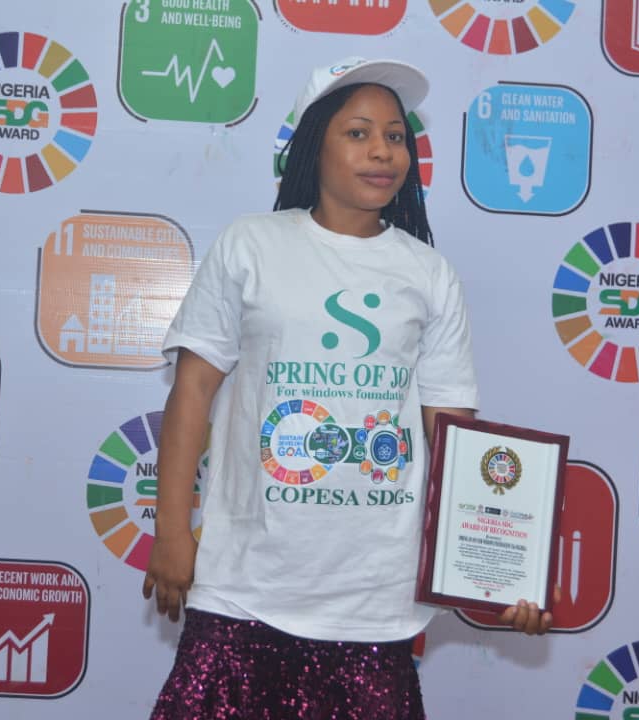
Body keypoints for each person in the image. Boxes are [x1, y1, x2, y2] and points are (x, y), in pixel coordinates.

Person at [143, 57, 553, 719]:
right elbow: (192, 392)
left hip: (374, 601)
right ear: (315, 145)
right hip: (243, 585)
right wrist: (171, 532)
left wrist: (494, 575)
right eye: (358, 133)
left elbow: (454, 440)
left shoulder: (430, 275)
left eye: (395, 136)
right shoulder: (250, 245)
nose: (382, 151)